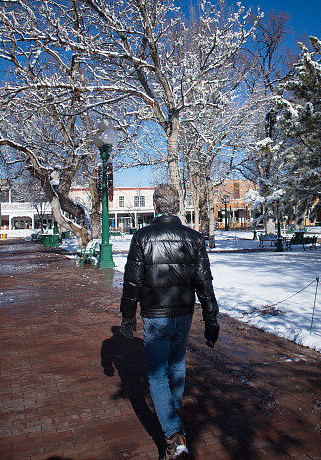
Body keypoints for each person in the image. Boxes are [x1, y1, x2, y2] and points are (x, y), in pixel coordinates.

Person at [120, 184, 220, 460]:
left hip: (156, 316)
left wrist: (128, 317)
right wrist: (211, 318)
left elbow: (132, 282)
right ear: (176, 205)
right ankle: (173, 424)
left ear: (155, 206)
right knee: (175, 366)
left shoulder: (142, 237)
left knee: (157, 375)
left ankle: (173, 435)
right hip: (182, 315)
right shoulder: (193, 238)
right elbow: (205, 283)